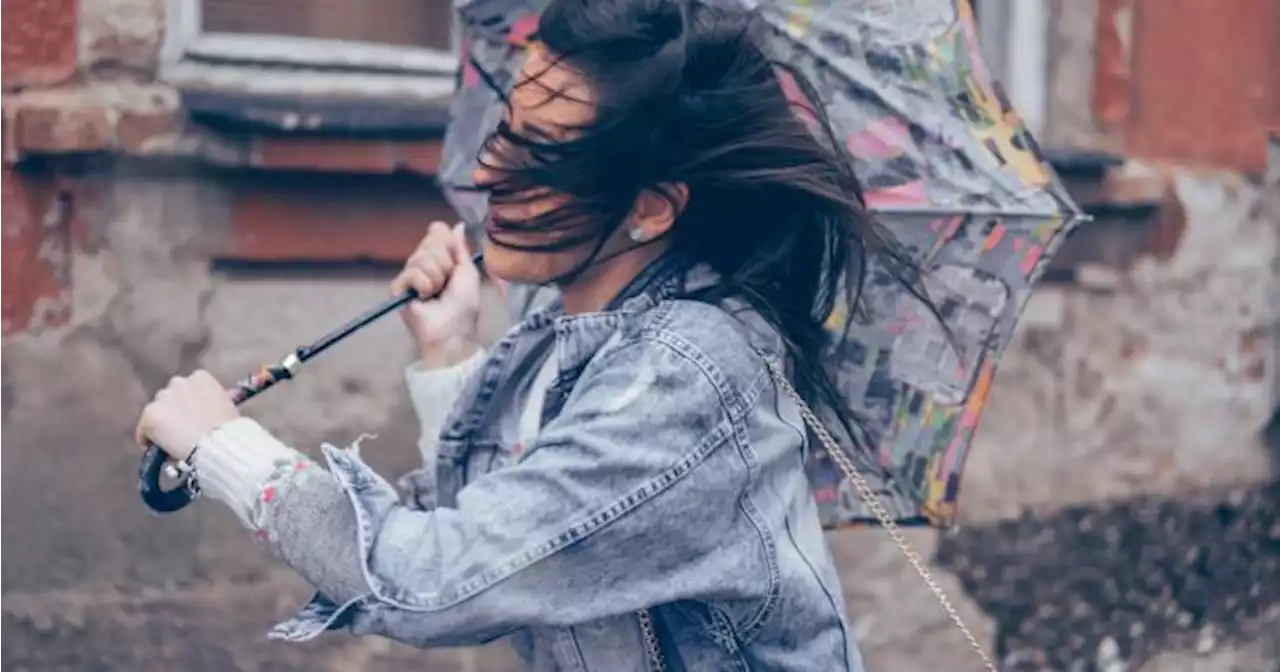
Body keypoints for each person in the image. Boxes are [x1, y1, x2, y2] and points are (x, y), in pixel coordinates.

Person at [133, 0, 932, 668]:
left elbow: (435, 583)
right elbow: (507, 537)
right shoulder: (568, 329)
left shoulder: (684, 375)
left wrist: (229, 449)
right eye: (507, 131)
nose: (490, 174)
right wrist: (449, 356)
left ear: (653, 207)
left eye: (543, 155)